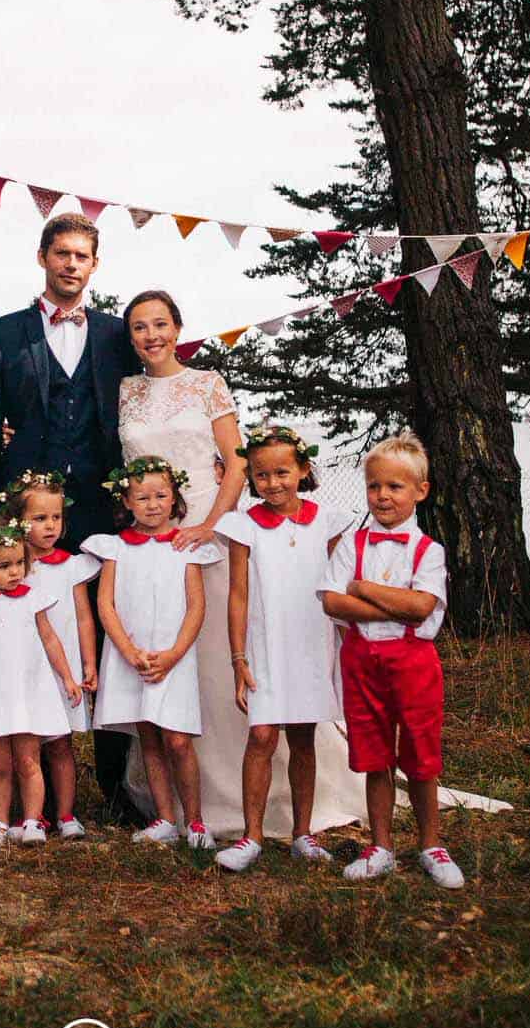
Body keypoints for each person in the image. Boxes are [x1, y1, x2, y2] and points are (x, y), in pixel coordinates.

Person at [116, 288, 372, 836]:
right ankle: (182, 799)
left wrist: (211, 524)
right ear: (130, 337)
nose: (152, 335)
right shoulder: (125, 390)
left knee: (217, 649)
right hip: (151, 535)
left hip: (205, 526)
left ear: (178, 328)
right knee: (167, 644)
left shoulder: (207, 383)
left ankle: (249, 792)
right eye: (139, 327)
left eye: (160, 323)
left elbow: (235, 465)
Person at [0, 212, 139, 811]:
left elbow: (140, 412)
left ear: (95, 265)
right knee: (27, 634)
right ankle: (34, 788)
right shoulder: (3, 332)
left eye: (82, 256)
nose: (71, 264)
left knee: (109, 636)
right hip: (27, 512)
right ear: (43, 257)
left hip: (101, 510)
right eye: (62, 253)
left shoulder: (117, 334)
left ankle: (117, 785)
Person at [319, 430, 465, 889]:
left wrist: (363, 588)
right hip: (361, 660)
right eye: (374, 486)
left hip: (413, 663)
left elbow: (421, 607)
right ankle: (380, 846)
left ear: (421, 491)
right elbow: (332, 601)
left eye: (395, 486)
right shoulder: (352, 545)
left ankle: (430, 844)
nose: (382, 496)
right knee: (374, 753)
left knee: (420, 753)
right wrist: (392, 603)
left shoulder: (429, 551)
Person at [213, 426, 352, 872]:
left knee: (303, 737)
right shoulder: (243, 525)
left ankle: (302, 834)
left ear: (303, 469)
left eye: (282, 473)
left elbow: (339, 585)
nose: (272, 483)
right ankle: (252, 835)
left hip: (311, 641)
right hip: (265, 643)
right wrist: (238, 658)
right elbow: (238, 595)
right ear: (251, 478)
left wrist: (347, 645)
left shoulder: (327, 521)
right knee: (261, 736)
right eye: (261, 475)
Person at [83, 457, 221, 850]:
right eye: (142, 497)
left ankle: (195, 821)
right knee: (149, 737)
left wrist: (175, 654)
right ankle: (164, 819)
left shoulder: (185, 548)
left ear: (174, 497)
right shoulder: (115, 548)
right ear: (126, 501)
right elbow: (106, 604)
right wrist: (127, 651)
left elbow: (196, 607)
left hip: (172, 657)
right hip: (133, 657)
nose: (153, 504)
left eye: (161, 495)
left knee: (177, 739)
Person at [0, 515, 83, 849]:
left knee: (28, 760)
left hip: (28, 692)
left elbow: (50, 640)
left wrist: (67, 677)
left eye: (20, 563)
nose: (14, 572)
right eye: (4, 566)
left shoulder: (33, 598)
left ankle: (33, 821)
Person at [0, 469, 99, 839]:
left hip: (63, 666)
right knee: (24, 746)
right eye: (39, 518)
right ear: (18, 521)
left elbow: (84, 618)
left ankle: (67, 815)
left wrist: (88, 662)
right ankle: (31, 814)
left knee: (60, 744)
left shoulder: (72, 566)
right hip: (24, 667)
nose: (50, 525)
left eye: (56, 517)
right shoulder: (13, 570)